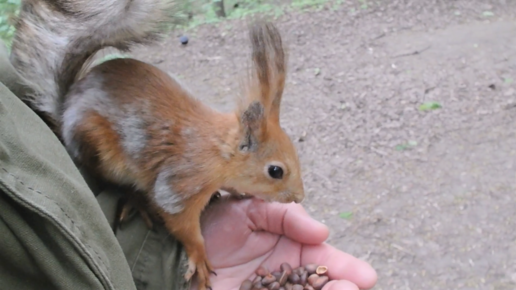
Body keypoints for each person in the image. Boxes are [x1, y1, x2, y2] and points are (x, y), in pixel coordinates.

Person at [0, 16, 376, 290]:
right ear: (243, 143)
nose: (294, 195)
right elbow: (169, 198)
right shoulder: (205, 164)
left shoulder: (222, 160)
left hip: (123, 103)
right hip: (94, 123)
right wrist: (194, 247)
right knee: (120, 162)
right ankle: (127, 193)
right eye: (276, 174)